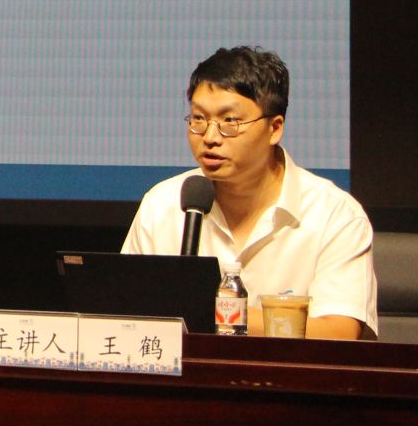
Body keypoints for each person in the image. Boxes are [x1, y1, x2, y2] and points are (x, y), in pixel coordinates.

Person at [122, 46, 377, 339]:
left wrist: (216, 309)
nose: (210, 137)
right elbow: (123, 316)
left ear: (274, 128)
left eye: (230, 122)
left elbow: (339, 333)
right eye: (198, 119)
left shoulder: (335, 215)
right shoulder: (162, 205)